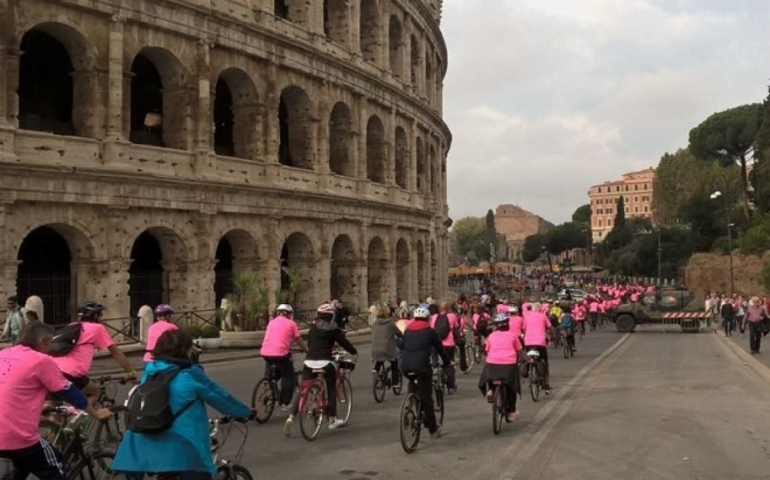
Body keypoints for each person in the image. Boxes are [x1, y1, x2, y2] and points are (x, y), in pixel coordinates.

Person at [113, 329, 253, 480]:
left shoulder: (150, 372)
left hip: (142, 441)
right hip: (183, 445)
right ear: (185, 350)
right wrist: (246, 412)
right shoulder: (190, 375)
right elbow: (221, 399)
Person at [0, 322, 112, 480]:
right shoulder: (41, 360)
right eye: (50, 342)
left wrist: (40, 407)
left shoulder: (4, 353)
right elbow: (69, 391)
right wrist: (96, 413)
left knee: (22, 465)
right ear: (42, 343)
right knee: (57, 463)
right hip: (17, 437)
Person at [284, 303, 358, 435]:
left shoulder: (313, 326)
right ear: (331, 316)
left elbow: (311, 344)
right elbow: (343, 342)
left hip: (309, 361)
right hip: (325, 361)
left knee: (303, 390)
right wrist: (353, 352)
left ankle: (291, 417)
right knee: (331, 387)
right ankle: (332, 419)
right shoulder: (333, 328)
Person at [51, 301, 136, 408]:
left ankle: (49, 424)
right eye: (100, 315)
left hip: (51, 369)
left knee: (53, 406)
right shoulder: (97, 328)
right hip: (71, 373)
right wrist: (131, 373)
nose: (101, 318)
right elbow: (116, 352)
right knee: (94, 392)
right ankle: (79, 421)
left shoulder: (71, 326)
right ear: (95, 315)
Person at [397, 307, 451, 439]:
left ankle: (409, 405)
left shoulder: (408, 331)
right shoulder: (430, 331)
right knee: (426, 398)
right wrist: (447, 362)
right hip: (422, 367)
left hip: (405, 366)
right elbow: (440, 349)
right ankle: (433, 430)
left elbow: (401, 345)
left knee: (412, 380)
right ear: (428, 319)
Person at [260, 304, 308, 411]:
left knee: (271, 364)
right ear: (289, 314)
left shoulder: (271, 323)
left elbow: (277, 337)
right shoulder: (291, 324)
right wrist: (306, 350)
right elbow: (298, 340)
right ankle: (285, 402)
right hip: (280, 353)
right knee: (288, 376)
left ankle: (268, 380)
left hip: (265, 352)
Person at [478, 313, 522, 421]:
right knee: (512, 387)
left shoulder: (492, 336)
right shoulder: (513, 335)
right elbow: (519, 351)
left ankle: (491, 391)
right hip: (508, 364)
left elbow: (487, 350)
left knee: (492, 377)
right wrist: (521, 360)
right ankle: (511, 412)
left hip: (492, 364)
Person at [522, 302, 554, 392]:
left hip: (528, 343)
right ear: (539, 309)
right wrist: (552, 337)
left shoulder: (527, 317)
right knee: (544, 362)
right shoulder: (543, 317)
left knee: (529, 358)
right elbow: (550, 328)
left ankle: (529, 369)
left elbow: (524, 329)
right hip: (540, 343)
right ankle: (547, 384)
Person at [430, 301, 460, 394]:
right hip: (448, 344)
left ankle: (435, 369)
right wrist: (459, 337)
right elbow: (456, 328)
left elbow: (432, 329)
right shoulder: (452, 316)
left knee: (434, 361)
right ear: (448, 309)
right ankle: (451, 386)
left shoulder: (434, 317)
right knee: (449, 363)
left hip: (436, 344)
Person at [371, 304, 400, 388]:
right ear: (387, 314)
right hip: (387, 349)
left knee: (380, 359)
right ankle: (395, 383)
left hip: (375, 349)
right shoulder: (390, 323)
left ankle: (375, 369)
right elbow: (398, 333)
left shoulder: (374, 324)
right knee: (394, 363)